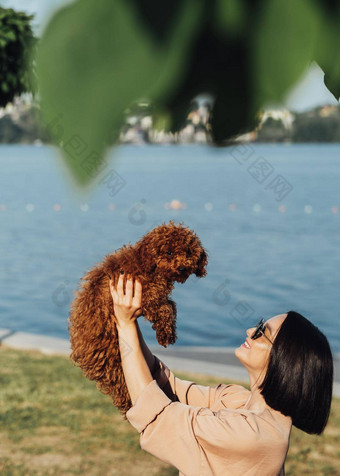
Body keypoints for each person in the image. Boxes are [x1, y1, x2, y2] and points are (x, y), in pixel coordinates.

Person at [109, 273, 333, 476]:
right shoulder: (239, 402)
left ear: (286, 362)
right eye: (259, 325)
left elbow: (156, 416)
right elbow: (168, 386)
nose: (250, 331)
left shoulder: (254, 437)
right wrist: (131, 317)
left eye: (263, 333)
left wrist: (125, 324)